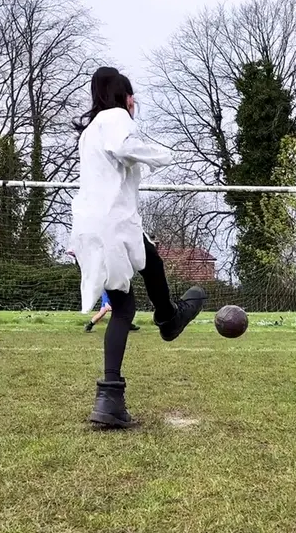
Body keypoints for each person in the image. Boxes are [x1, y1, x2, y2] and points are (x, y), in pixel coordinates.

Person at [70, 66, 206, 429]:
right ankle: (168, 319)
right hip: (112, 223)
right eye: (133, 97)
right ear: (123, 96)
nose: (135, 103)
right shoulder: (115, 117)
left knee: (136, 286)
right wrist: (165, 154)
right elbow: (123, 146)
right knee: (134, 290)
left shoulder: (90, 131)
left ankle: (109, 399)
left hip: (91, 223)